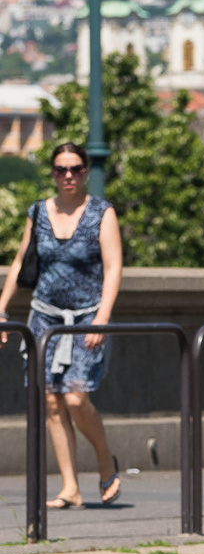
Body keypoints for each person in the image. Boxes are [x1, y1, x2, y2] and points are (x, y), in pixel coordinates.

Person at [0, 142, 125, 508]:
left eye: (75, 169)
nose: (68, 176)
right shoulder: (38, 211)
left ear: (85, 172)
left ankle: (105, 462)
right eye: (60, 170)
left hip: (86, 317)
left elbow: (114, 266)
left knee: (75, 396)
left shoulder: (102, 212)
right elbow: (21, 260)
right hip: (44, 317)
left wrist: (101, 318)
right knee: (52, 402)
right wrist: (2, 308)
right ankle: (70, 487)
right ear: (53, 173)